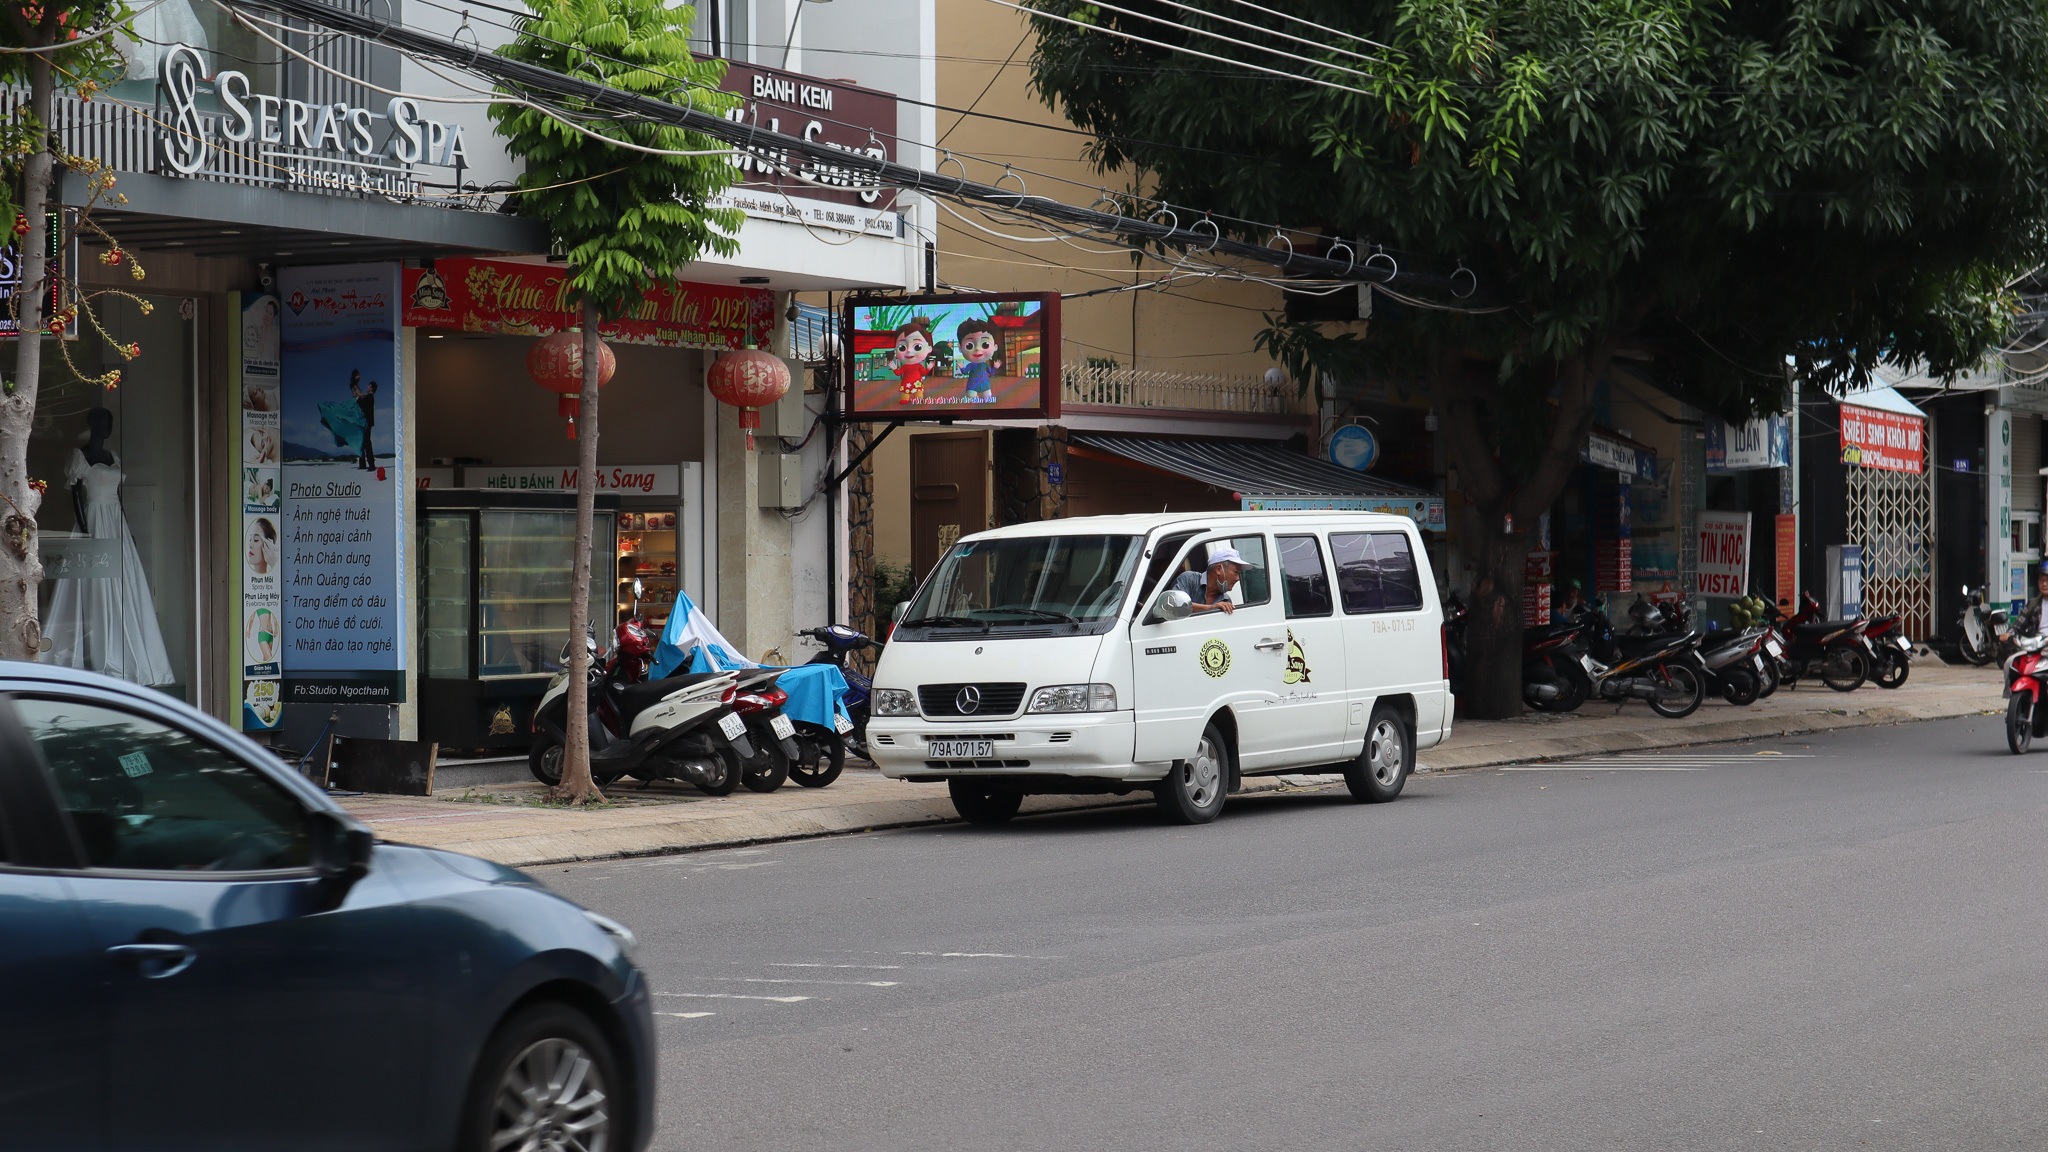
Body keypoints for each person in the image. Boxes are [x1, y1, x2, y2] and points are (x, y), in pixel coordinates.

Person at [1172, 546, 1258, 615]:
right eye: (1236, 572)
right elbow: (1175, 604)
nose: (1237, 578)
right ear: (1219, 569)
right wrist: (1211, 608)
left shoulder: (1226, 601)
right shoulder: (1189, 579)